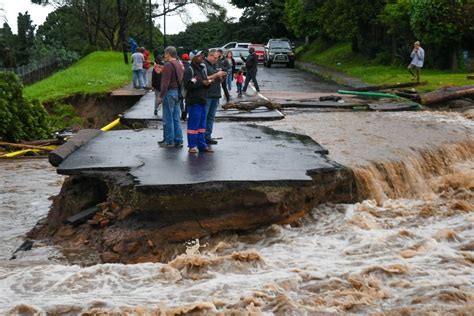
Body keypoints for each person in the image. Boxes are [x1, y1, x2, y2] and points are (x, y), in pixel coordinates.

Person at [183, 51, 214, 154]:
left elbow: (204, 81)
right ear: (194, 58)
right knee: (193, 125)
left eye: (202, 56)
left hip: (202, 100)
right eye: (199, 56)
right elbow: (187, 85)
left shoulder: (202, 69)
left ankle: (202, 145)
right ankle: (192, 146)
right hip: (194, 101)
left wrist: (208, 83)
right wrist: (202, 83)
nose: (202, 57)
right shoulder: (189, 70)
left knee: (202, 125)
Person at [157, 46, 184, 148]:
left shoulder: (168, 65)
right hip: (177, 92)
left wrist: (161, 95)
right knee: (176, 118)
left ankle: (169, 141)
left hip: (169, 93)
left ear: (168, 54)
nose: (164, 56)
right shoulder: (178, 63)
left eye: (165, 54)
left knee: (168, 118)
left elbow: (165, 83)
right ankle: (179, 139)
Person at [203, 49, 226, 145]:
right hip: (208, 94)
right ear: (210, 55)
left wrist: (221, 77)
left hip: (216, 94)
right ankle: (202, 137)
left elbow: (215, 79)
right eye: (215, 58)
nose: (216, 60)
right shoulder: (204, 65)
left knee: (211, 117)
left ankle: (208, 136)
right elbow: (203, 78)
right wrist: (216, 74)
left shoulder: (214, 65)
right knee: (205, 117)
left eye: (218, 58)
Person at [180, 53, 191, 121]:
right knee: (187, 99)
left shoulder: (180, 65)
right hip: (188, 83)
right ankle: (186, 112)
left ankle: (182, 110)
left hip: (181, 83)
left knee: (181, 98)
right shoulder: (190, 66)